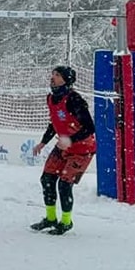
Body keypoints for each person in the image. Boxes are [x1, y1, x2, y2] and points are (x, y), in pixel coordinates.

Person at [29, 65, 96, 235]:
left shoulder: (74, 99)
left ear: (66, 79)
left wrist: (70, 140)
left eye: (57, 75)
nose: (52, 77)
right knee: (47, 179)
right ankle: (50, 218)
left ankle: (66, 222)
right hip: (63, 146)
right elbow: (54, 124)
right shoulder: (51, 98)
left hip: (82, 148)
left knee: (65, 185)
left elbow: (90, 127)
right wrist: (43, 142)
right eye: (52, 74)